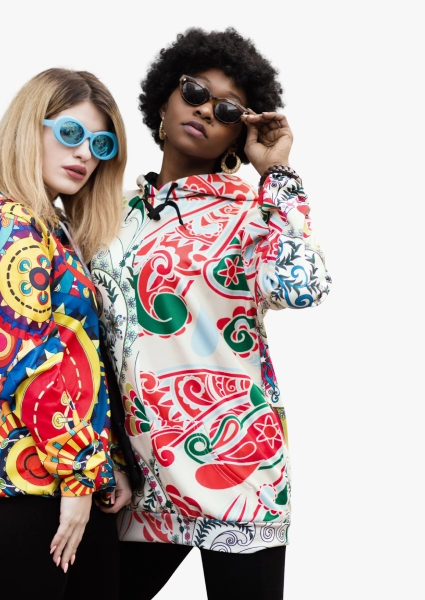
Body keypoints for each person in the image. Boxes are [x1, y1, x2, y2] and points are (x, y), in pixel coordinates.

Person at [88, 27, 331, 600]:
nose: (204, 109)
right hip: (136, 483)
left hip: (238, 477)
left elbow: (304, 286)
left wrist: (276, 175)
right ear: (164, 100)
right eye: (195, 91)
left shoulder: (251, 212)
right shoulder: (108, 213)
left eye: (227, 109)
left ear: (237, 134)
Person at [0, 67, 134, 600]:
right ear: (31, 128)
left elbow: (83, 362)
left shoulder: (55, 229)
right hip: (21, 487)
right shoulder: (6, 222)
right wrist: (80, 475)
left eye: (100, 144)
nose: (85, 154)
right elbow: (24, 364)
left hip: (69, 480)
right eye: (70, 133)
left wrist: (106, 465)